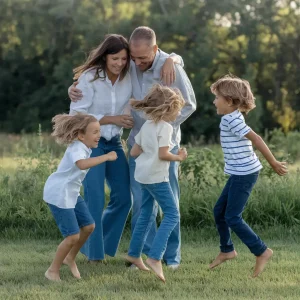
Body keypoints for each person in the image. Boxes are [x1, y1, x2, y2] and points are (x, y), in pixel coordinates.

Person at [69, 26, 196, 268]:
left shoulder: (166, 67)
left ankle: (171, 258)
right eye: (132, 58)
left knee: (165, 203)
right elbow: (83, 101)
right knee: (137, 202)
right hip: (129, 144)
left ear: (155, 50)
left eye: (141, 59)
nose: (135, 63)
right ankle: (135, 254)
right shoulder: (122, 69)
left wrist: (161, 128)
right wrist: (74, 90)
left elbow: (189, 105)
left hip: (162, 146)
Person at [209, 74, 288, 277]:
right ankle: (227, 250)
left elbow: (257, 139)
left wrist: (273, 162)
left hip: (244, 173)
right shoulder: (232, 117)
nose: (214, 101)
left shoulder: (231, 120)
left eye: (217, 97)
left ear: (229, 101)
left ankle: (261, 251)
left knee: (232, 216)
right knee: (219, 211)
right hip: (240, 172)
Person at [69, 34, 133, 262]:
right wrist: (110, 119)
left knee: (125, 197)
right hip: (90, 144)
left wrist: (170, 60)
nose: (119, 63)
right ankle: (94, 256)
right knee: (94, 197)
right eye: (115, 58)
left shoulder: (130, 75)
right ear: (105, 57)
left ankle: (95, 244)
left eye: (124, 59)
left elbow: (165, 57)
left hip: (114, 143)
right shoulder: (89, 78)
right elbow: (76, 115)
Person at [43, 114, 117, 281]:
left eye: (99, 131)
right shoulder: (77, 148)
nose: (99, 135)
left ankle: (70, 257)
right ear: (81, 135)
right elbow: (82, 164)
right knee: (72, 236)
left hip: (71, 193)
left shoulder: (85, 147)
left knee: (89, 226)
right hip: (59, 194)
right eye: (95, 132)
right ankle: (52, 271)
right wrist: (106, 157)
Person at [125, 84, 187, 282]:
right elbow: (163, 154)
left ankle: (134, 254)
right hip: (156, 178)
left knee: (145, 213)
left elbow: (134, 152)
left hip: (141, 175)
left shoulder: (146, 126)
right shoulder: (166, 127)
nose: (178, 115)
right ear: (168, 108)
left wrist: (148, 150)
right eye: (177, 110)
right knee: (172, 213)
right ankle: (155, 257)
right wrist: (179, 157)